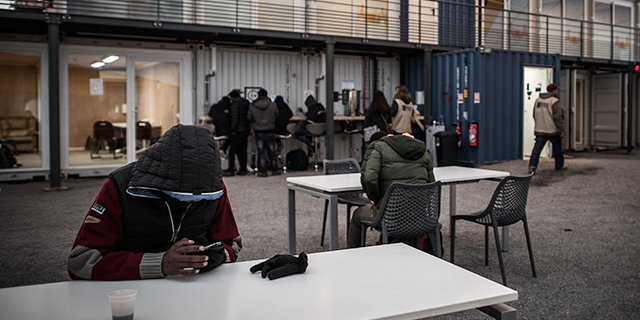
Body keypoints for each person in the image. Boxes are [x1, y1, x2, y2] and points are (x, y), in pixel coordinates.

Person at [67, 125, 243, 281]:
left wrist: (213, 257)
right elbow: (81, 261)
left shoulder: (212, 189)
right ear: (160, 176)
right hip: (128, 293)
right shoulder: (119, 186)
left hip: (195, 294)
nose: (191, 200)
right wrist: (159, 263)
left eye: (200, 196)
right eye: (180, 192)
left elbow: (231, 243)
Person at [347, 131, 435, 248]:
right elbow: (431, 186)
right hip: (419, 217)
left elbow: (369, 179)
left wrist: (377, 200)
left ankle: (353, 255)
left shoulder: (379, 148)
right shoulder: (423, 152)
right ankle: (383, 244)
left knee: (357, 215)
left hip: (389, 216)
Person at [528, 83, 565, 174]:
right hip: (552, 130)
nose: (557, 92)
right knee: (557, 149)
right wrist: (562, 129)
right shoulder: (554, 101)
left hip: (540, 130)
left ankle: (532, 166)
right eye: (556, 90)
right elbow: (558, 117)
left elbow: (534, 114)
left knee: (537, 149)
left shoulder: (538, 100)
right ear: (553, 91)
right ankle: (559, 166)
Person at [248, 89, 281, 177]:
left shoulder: (252, 105)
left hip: (258, 131)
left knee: (261, 151)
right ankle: (275, 169)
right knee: (272, 150)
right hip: (270, 130)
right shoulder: (273, 105)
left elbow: (249, 117)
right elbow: (277, 115)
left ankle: (263, 171)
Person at [224, 89, 251, 177]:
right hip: (245, 130)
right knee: (243, 150)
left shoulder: (235, 105)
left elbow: (235, 118)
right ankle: (243, 169)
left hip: (238, 130)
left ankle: (231, 169)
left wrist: (233, 130)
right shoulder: (246, 103)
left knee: (232, 150)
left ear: (232, 97)